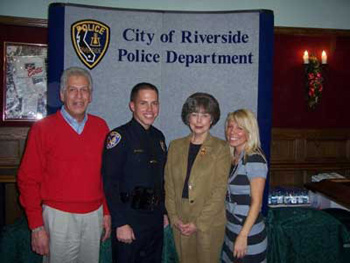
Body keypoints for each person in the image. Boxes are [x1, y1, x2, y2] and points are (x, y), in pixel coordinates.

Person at [17, 67, 111, 263]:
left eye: (84, 90)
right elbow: (28, 180)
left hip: (93, 216)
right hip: (58, 217)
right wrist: (36, 226)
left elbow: (104, 176)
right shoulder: (42, 129)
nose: (79, 96)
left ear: (91, 96)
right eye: (72, 90)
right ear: (61, 94)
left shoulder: (101, 127)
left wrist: (106, 211)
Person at [102, 82, 167, 263]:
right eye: (143, 103)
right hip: (129, 218)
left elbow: (161, 180)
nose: (150, 109)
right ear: (132, 106)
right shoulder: (119, 137)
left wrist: (164, 212)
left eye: (154, 103)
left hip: (154, 220)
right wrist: (120, 222)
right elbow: (110, 183)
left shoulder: (159, 137)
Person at [165, 92, 231, 263]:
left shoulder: (221, 148)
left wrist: (198, 223)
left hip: (209, 221)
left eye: (205, 115)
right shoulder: (175, 146)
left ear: (212, 119)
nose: (199, 121)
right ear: (188, 118)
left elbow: (219, 190)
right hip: (181, 220)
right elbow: (169, 186)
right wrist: (174, 217)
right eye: (194, 115)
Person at [221, 109, 268, 263]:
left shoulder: (253, 158)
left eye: (239, 128)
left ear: (250, 132)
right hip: (231, 231)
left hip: (248, 235)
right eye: (230, 126)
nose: (232, 132)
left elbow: (257, 203)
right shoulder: (233, 157)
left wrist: (243, 235)